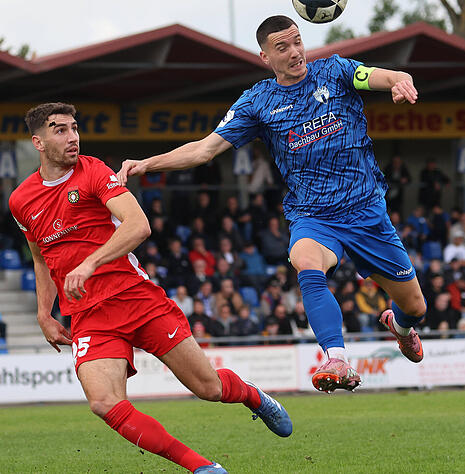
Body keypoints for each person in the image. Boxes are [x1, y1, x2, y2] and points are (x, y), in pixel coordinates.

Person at [118, 16, 426, 393]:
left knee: (416, 306)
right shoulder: (258, 101)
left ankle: (401, 326)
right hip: (313, 216)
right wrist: (146, 163)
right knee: (306, 262)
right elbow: (204, 150)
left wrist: (399, 80)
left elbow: (378, 75)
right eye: (283, 47)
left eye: (298, 41)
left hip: (367, 213)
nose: (295, 52)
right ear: (265, 56)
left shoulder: (335, 71)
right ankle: (337, 358)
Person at [9, 103, 290, 474]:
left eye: (74, 128)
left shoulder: (94, 172)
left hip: (137, 299)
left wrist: (90, 263)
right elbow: (41, 259)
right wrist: (44, 313)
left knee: (208, 389)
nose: (72, 137)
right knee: (104, 403)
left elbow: (139, 225)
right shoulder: (21, 200)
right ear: (38, 142)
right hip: (89, 315)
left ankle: (252, 396)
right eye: (59, 130)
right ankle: (201, 467)